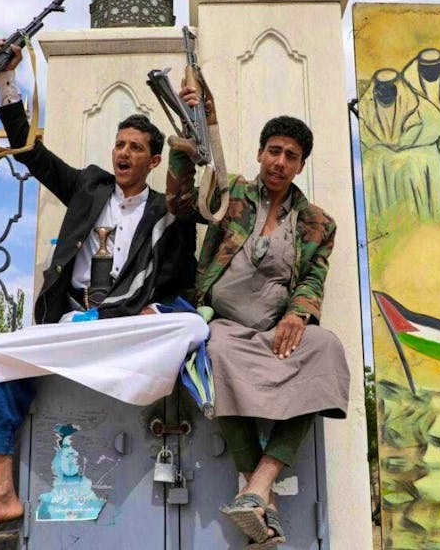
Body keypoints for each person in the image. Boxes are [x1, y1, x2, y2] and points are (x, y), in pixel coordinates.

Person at [0, 40, 202, 545]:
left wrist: (157, 308)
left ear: (155, 159)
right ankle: (1, 496)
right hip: (74, 324)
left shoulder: (169, 212)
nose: (123, 153)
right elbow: (30, 153)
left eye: (136, 147)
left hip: (129, 329)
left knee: (193, 322)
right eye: (119, 144)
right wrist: (6, 81)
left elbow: (186, 280)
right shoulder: (89, 187)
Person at [168, 91, 350, 549]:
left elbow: (313, 277)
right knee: (218, 351)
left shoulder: (318, 223)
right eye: (274, 151)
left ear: (300, 166)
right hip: (225, 323)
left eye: (291, 156)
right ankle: (258, 497)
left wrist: (298, 313)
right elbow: (181, 204)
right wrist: (181, 151)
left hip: (274, 331)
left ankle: (257, 485)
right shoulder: (229, 194)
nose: (281, 162)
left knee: (326, 350)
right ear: (260, 153)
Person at [358, 67, 440, 219]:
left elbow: (430, 137)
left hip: (412, 155)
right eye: (380, 89)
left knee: (421, 160)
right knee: (370, 162)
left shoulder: (418, 107)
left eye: (388, 88)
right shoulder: (366, 108)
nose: (383, 93)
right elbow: (365, 140)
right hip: (381, 159)